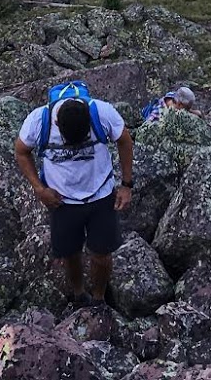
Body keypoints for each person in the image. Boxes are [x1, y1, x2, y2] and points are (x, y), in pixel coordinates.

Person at [14, 80, 134, 307]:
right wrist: (40, 189)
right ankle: (79, 294)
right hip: (62, 202)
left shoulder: (102, 112)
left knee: (102, 254)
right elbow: (21, 151)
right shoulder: (39, 120)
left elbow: (125, 141)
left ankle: (99, 298)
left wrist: (126, 185)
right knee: (70, 253)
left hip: (101, 196)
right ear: (57, 122)